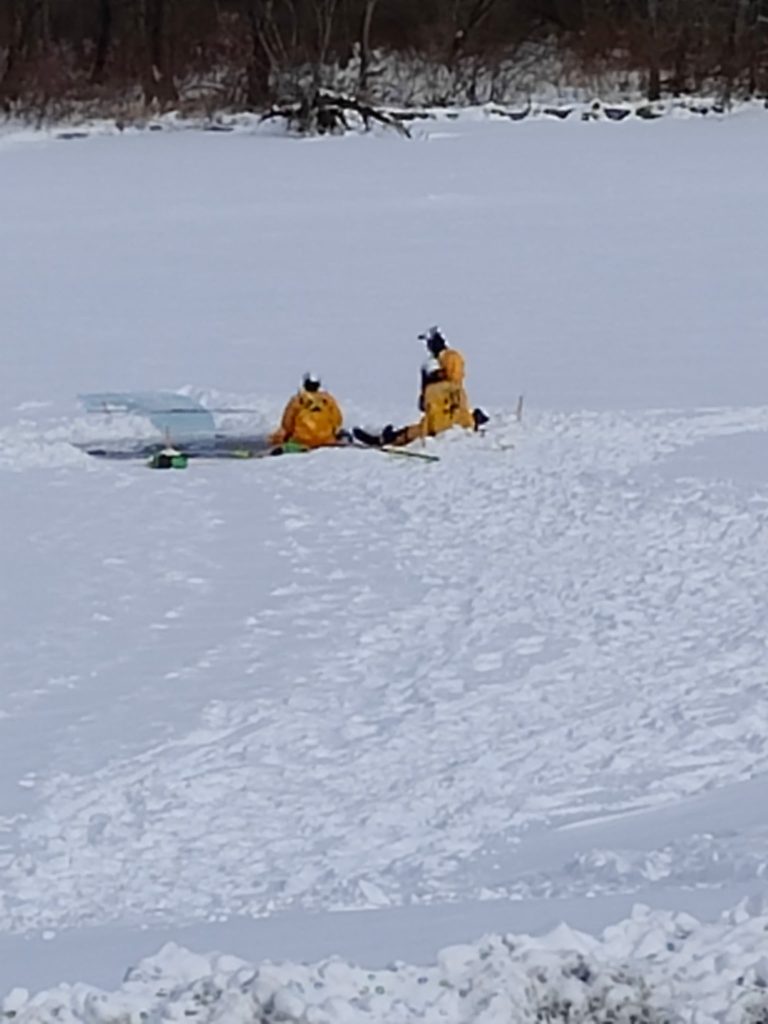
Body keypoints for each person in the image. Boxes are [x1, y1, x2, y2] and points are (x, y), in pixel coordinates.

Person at [354, 359, 474, 448]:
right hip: (461, 425)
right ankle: (389, 437)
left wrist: (420, 436)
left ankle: (387, 440)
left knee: (412, 432)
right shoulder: (456, 387)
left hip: (442, 429)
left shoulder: (434, 390)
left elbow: (434, 421)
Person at [418, 325, 488, 428]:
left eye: (429, 343)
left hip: (449, 407)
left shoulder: (451, 356)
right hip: (440, 408)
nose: (428, 347)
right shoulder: (435, 361)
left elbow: (454, 380)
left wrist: (436, 379)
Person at [269, 373, 345, 451]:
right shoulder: (328, 400)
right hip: (326, 440)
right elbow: (338, 420)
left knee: (278, 438)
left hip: (302, 440)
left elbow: (287, 423)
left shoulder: (297, 400)